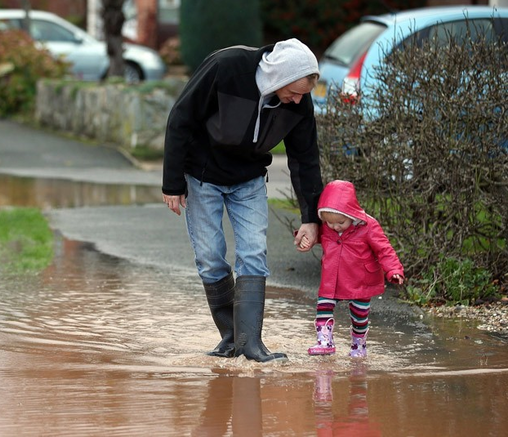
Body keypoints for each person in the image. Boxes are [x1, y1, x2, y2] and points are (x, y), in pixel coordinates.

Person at [162, 38, 324, 362]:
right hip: (202, 175)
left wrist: (311, 216)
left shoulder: (298, 104)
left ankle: (252, 344)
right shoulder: (227, 67)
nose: (296, 100)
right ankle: (231, 338)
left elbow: (304, 158)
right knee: (210, 256)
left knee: (254, 252)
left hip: (248, 181)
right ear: (280, 75)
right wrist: (172, 182)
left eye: (302, 95)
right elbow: (181, 118)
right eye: (294, 91)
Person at [299, 180, 404, 358]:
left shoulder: (368, 226)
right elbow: (318, 235)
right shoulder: (326, 225)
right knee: (323, 306)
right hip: (332, 278)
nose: (335, 227)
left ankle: (359, 344)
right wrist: (306, 240)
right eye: (330, 223)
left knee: (359, 315)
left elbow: (384, 249)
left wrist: (393, 270)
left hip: (360, 279)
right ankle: (325, 341)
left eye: (340, 222)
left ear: (351, 213)